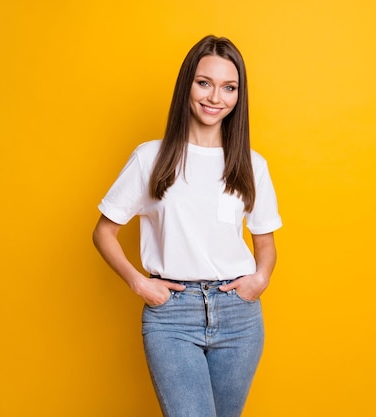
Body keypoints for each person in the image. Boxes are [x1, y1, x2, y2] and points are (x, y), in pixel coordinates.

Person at [92, 35, 282, 417]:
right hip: (172, 317)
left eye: (229, 88)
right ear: (187, 86)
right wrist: (139, 283)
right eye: (204, 83)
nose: (215, 97)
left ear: (238, 97)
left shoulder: (250, 164)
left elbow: (265, 242)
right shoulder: (151, 158)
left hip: (239, 318)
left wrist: (260, 279)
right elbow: (103, 231)